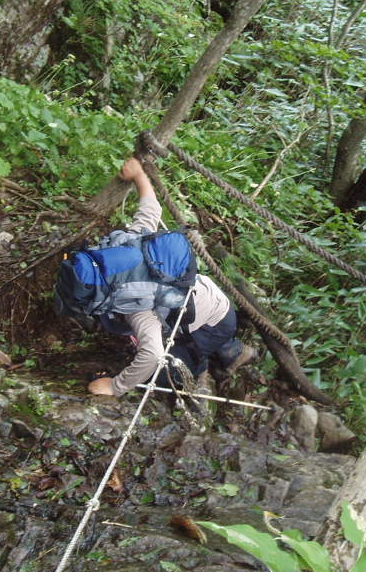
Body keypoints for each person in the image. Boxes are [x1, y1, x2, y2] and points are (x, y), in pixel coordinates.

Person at [83, 157, 256, 397]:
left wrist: (115, 386)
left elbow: (153, 354)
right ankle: (226, 347)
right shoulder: (131, 247)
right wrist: (139, 176)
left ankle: (216, 361)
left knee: (168, 374)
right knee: (176, 327)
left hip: (214, 321)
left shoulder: (138, 308)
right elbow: (151, 209)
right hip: (203, 297)